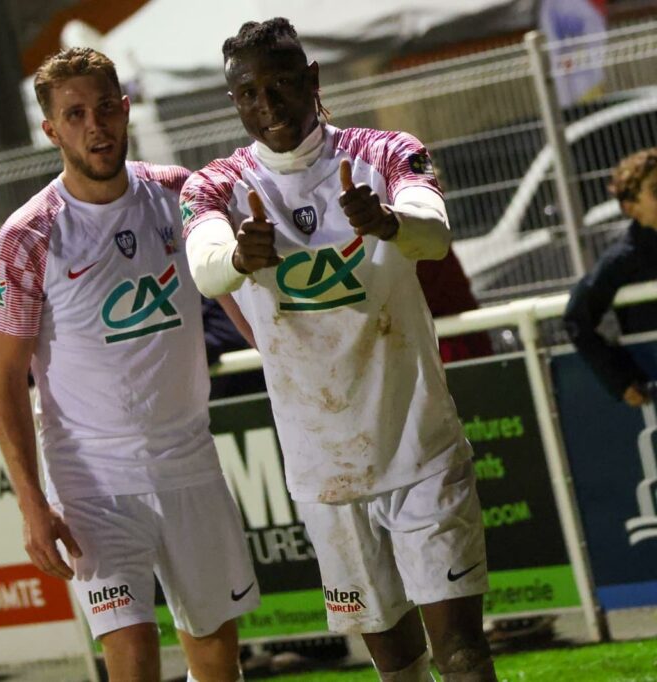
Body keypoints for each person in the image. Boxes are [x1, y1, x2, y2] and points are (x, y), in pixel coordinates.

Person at [181, 19, 496, 681]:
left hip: (419, 448)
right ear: (233, 100)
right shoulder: (214, 186)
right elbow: (207, 269)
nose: (267, 105)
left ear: (313, 80)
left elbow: (434, 233)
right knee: (397, 668)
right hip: (325, 472)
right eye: (248, 93)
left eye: (283, 83)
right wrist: (239, 256)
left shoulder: (382, 152)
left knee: (463, 656)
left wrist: (389, 223)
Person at [0, 48, 258, 682]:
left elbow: (246, 313)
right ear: (51, 130)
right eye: (75, 114)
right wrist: (32, 503)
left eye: (106, 107)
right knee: (131, 656)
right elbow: (5, 383)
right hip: (91, 484)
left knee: (218, 660)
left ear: (126, 107)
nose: (95, 125)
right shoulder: (28, 236)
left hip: (188, 462)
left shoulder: (181, 196)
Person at [564, 148, 657, 406]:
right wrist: (622, 380)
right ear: (631, 208)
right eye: (656, 191)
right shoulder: (623, 259)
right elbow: (576, 319)